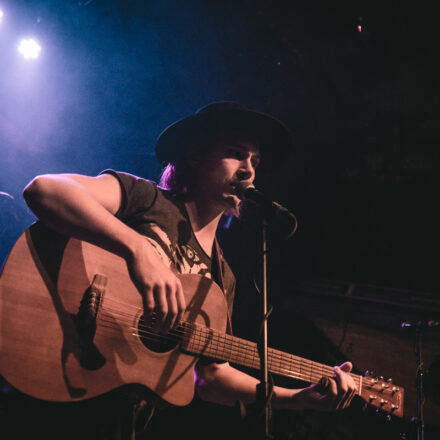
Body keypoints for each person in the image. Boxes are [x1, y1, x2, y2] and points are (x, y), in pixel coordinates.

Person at [17, 102, 356, 439]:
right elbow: (45, 190)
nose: (248, 169)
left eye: (255, 161)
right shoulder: (145, 199)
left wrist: (298, 399)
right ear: (195, 156)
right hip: (53, 397)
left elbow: (210, 378)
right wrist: (138, 251)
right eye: (235, 153)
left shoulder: (222, 279)